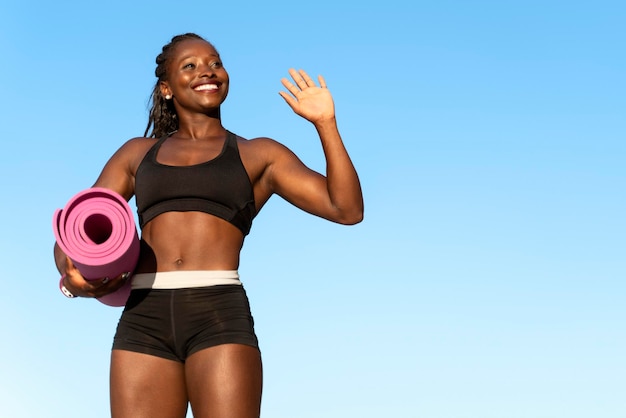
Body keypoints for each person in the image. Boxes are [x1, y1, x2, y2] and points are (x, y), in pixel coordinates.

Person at [53, 32, 363, 418]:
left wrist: (326, 123)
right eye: (191, 65)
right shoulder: (136, 154)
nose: (208, 71)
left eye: (215, 62)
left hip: (218, 313)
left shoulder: (258, 154)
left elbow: (346, 208)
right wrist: (71, 277)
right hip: (143, 318)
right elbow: (73, 232)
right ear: (166, 88)